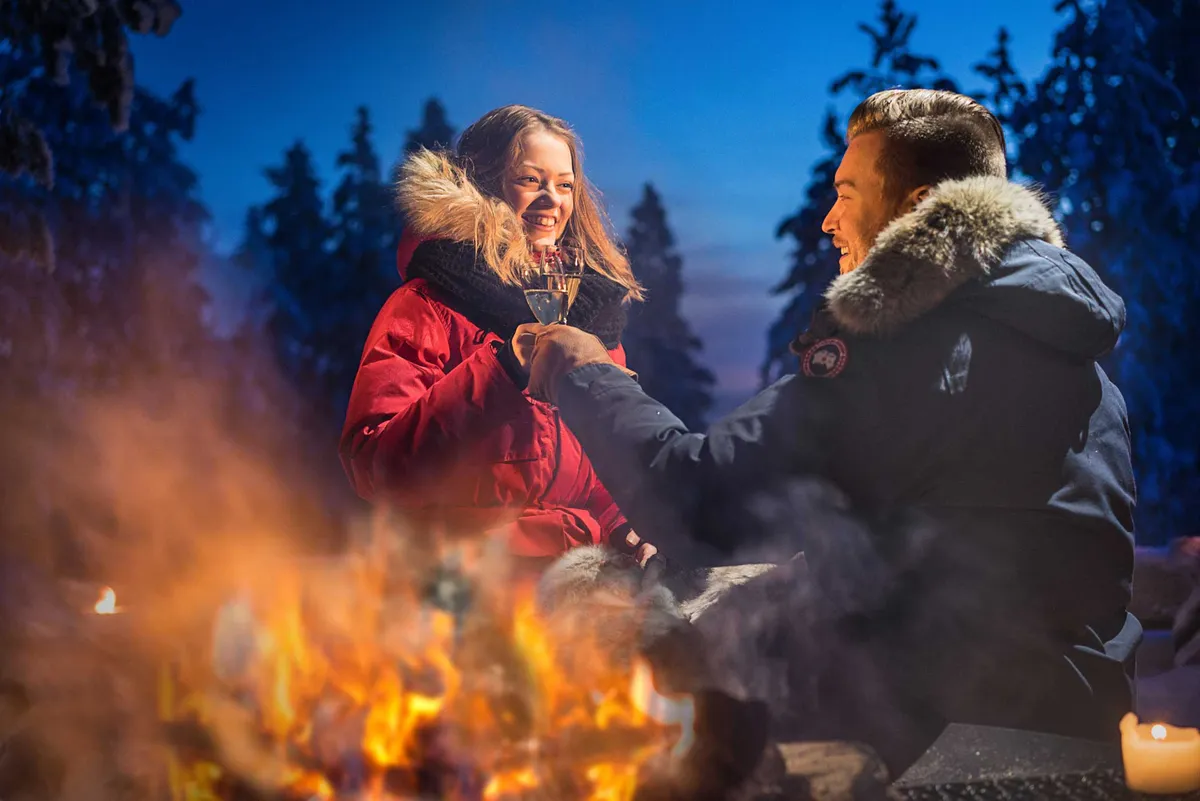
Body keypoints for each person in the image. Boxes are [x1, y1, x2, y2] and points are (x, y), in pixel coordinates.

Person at [514, 89, 1141, 759]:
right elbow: (942, 542)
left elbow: (697, 503)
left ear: (918, 206)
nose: (827, 219)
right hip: (1079, 722)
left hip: (945, 743)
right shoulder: (1084, 371)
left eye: (846, 192)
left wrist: (584, 371)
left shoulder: (906, 349)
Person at [339, 104, 655, 572]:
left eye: (565, 184)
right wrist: (502, 370)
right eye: (531, 180)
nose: (552, 200)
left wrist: (625, 524)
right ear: (485, 186)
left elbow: (598, 465)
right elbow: (377, 466)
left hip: (575, 578)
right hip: (461, 584)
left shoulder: (589, 321)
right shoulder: (428, 305)